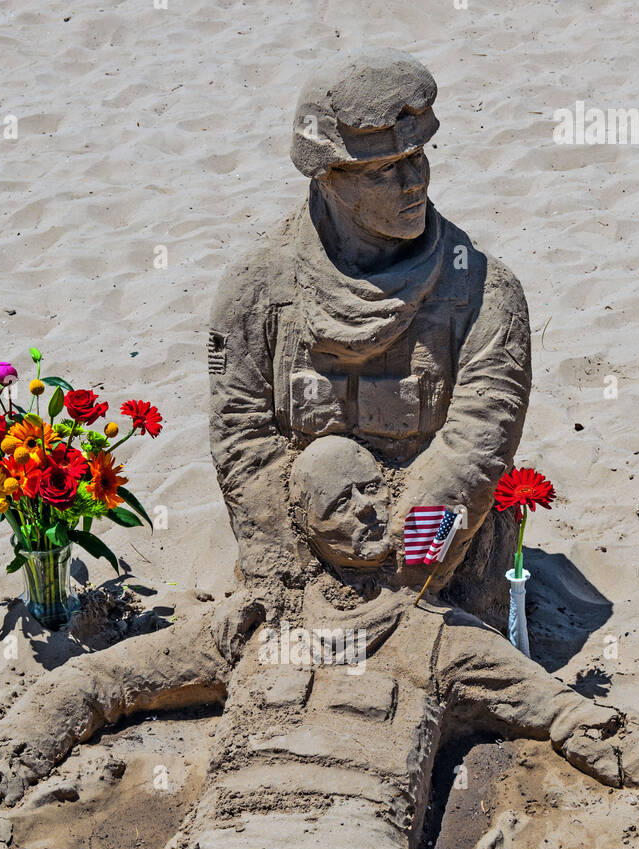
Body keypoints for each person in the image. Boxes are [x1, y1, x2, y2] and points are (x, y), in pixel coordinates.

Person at [208, 49, 530, 620]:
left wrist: (411, 575)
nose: (414, 182)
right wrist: (283, 568)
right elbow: (243, 437)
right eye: (383, 170)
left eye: (419, 156)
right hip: (300, 546)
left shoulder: (482, 290)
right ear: (327, 177)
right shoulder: (256, 291)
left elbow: (477, 445)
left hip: (440, 558)